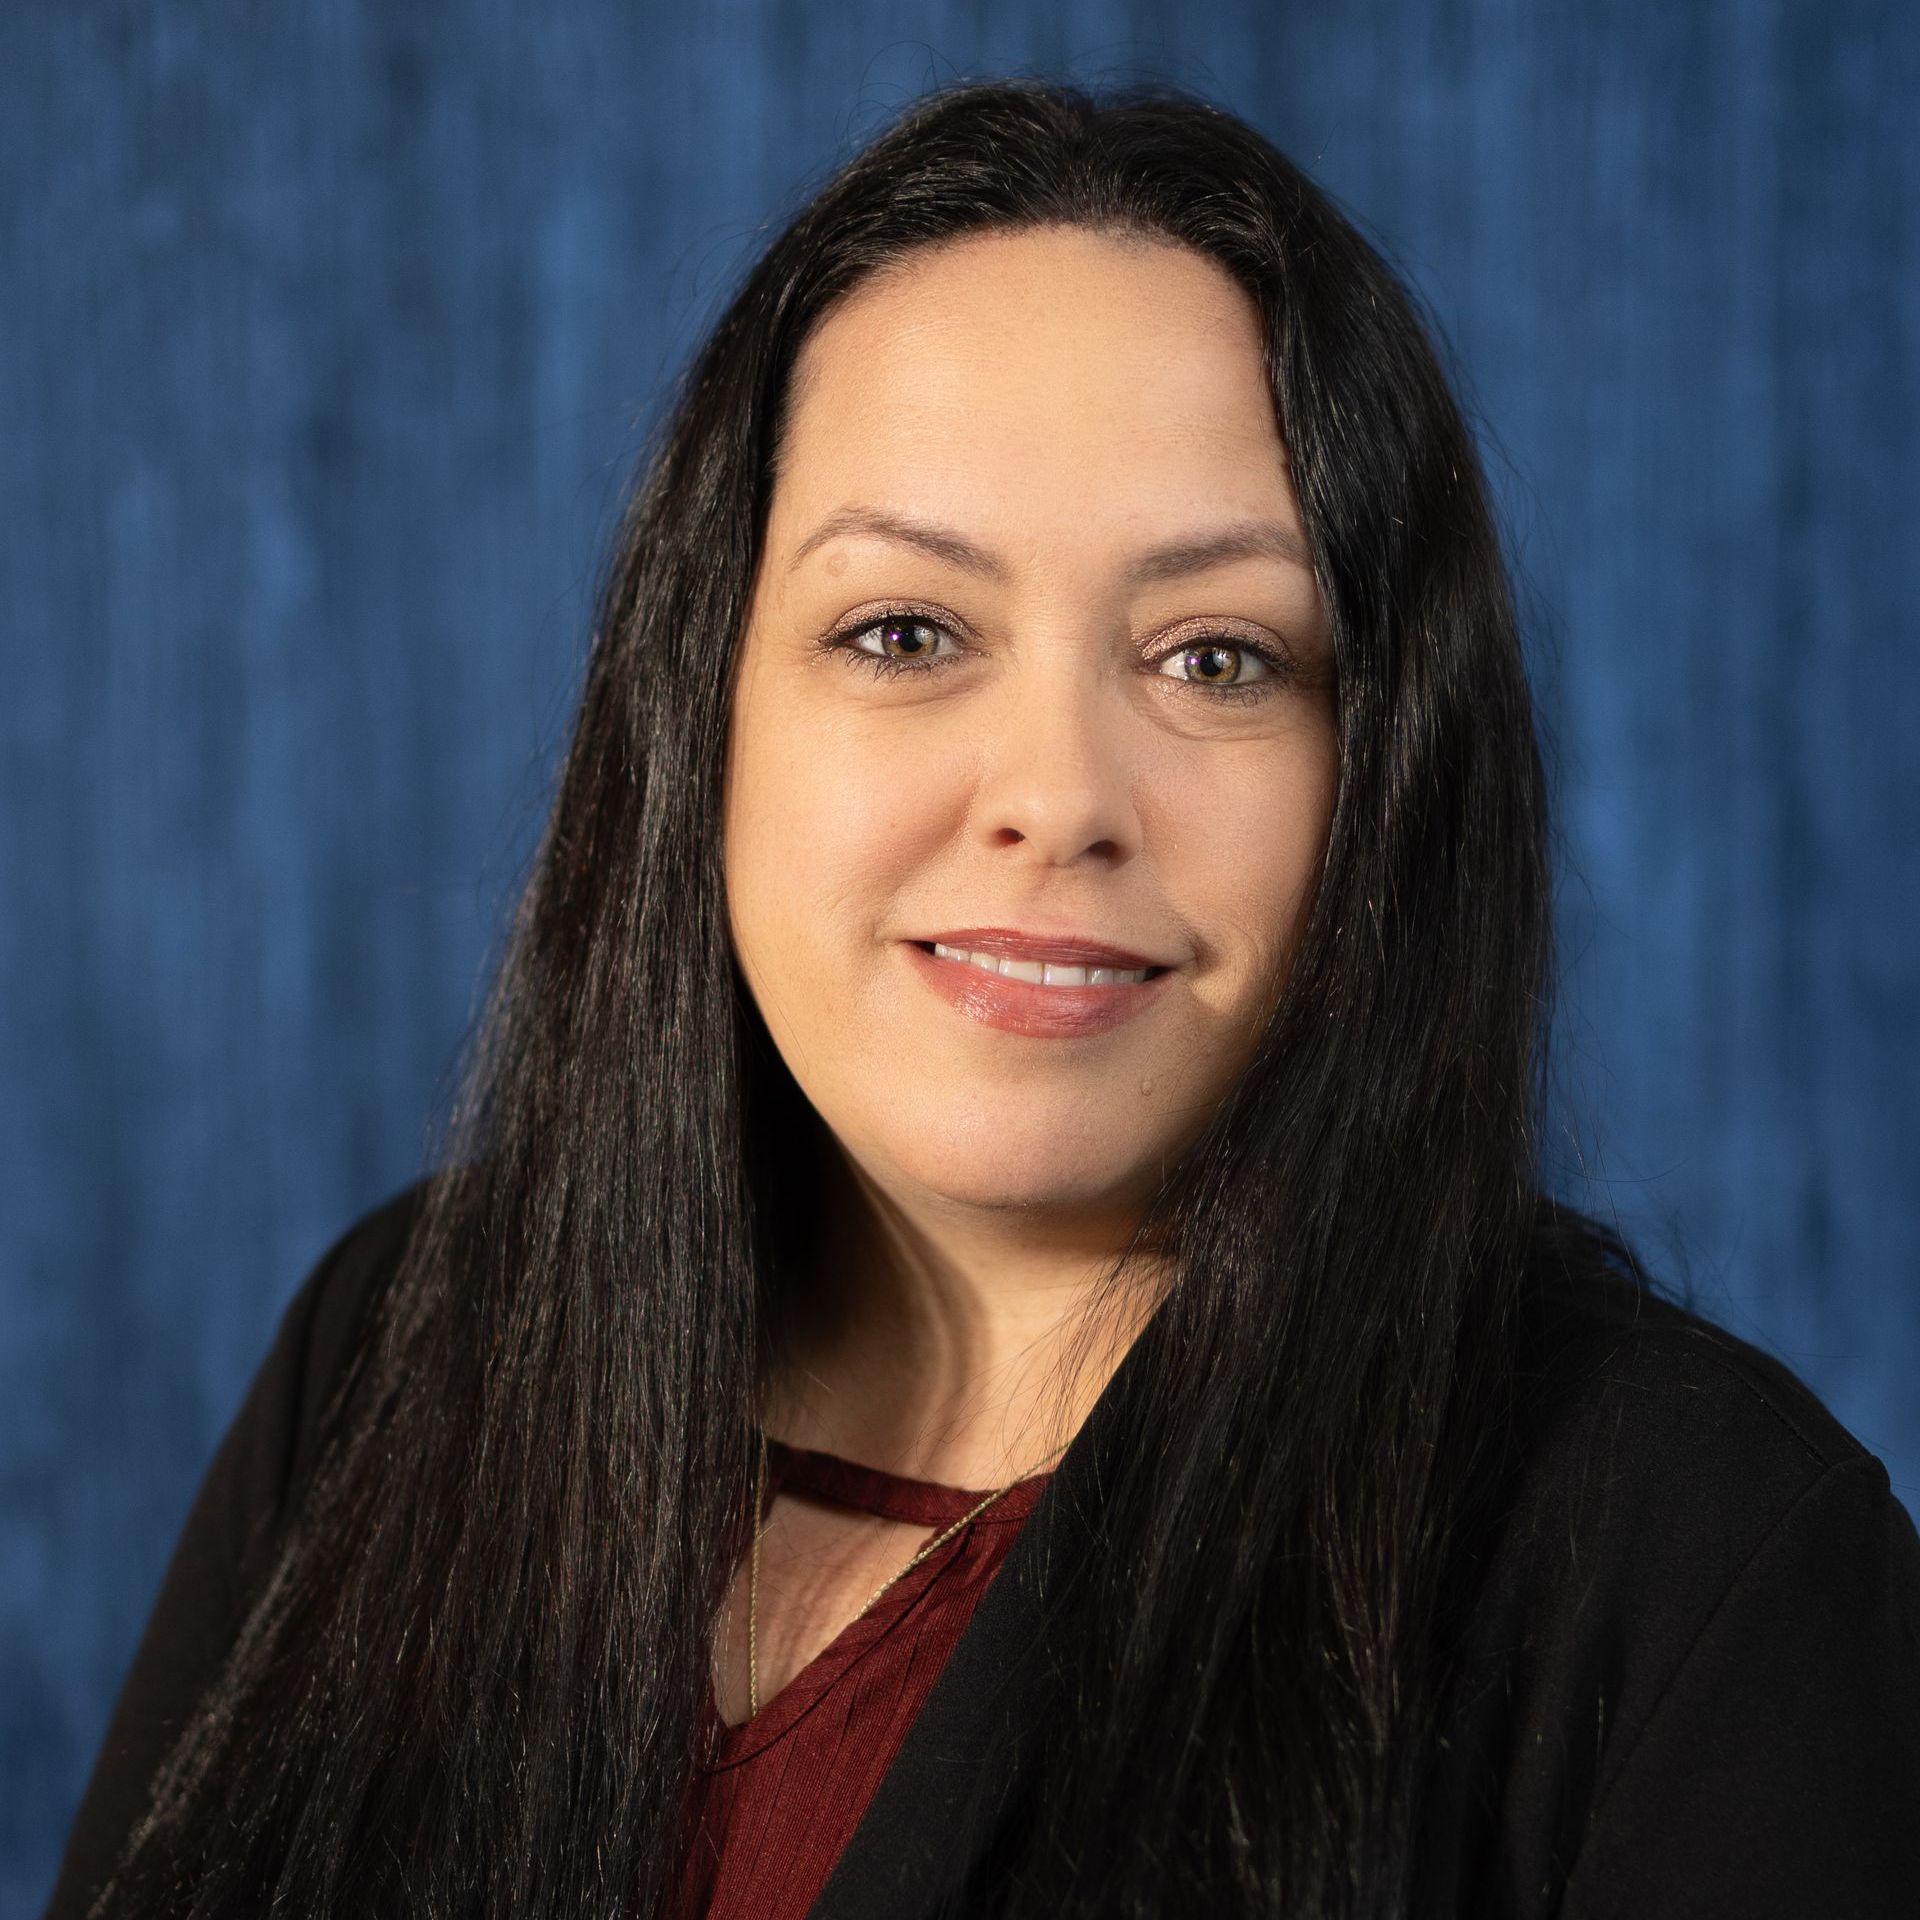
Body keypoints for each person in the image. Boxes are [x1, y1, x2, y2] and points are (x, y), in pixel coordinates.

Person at [44, 75, 1919, 1920]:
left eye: (1217, 656)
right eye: (905, 631)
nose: (1058, 798)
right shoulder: (395, 1362)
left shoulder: (1696, 1574)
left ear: (1390, 780)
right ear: (701, 716)